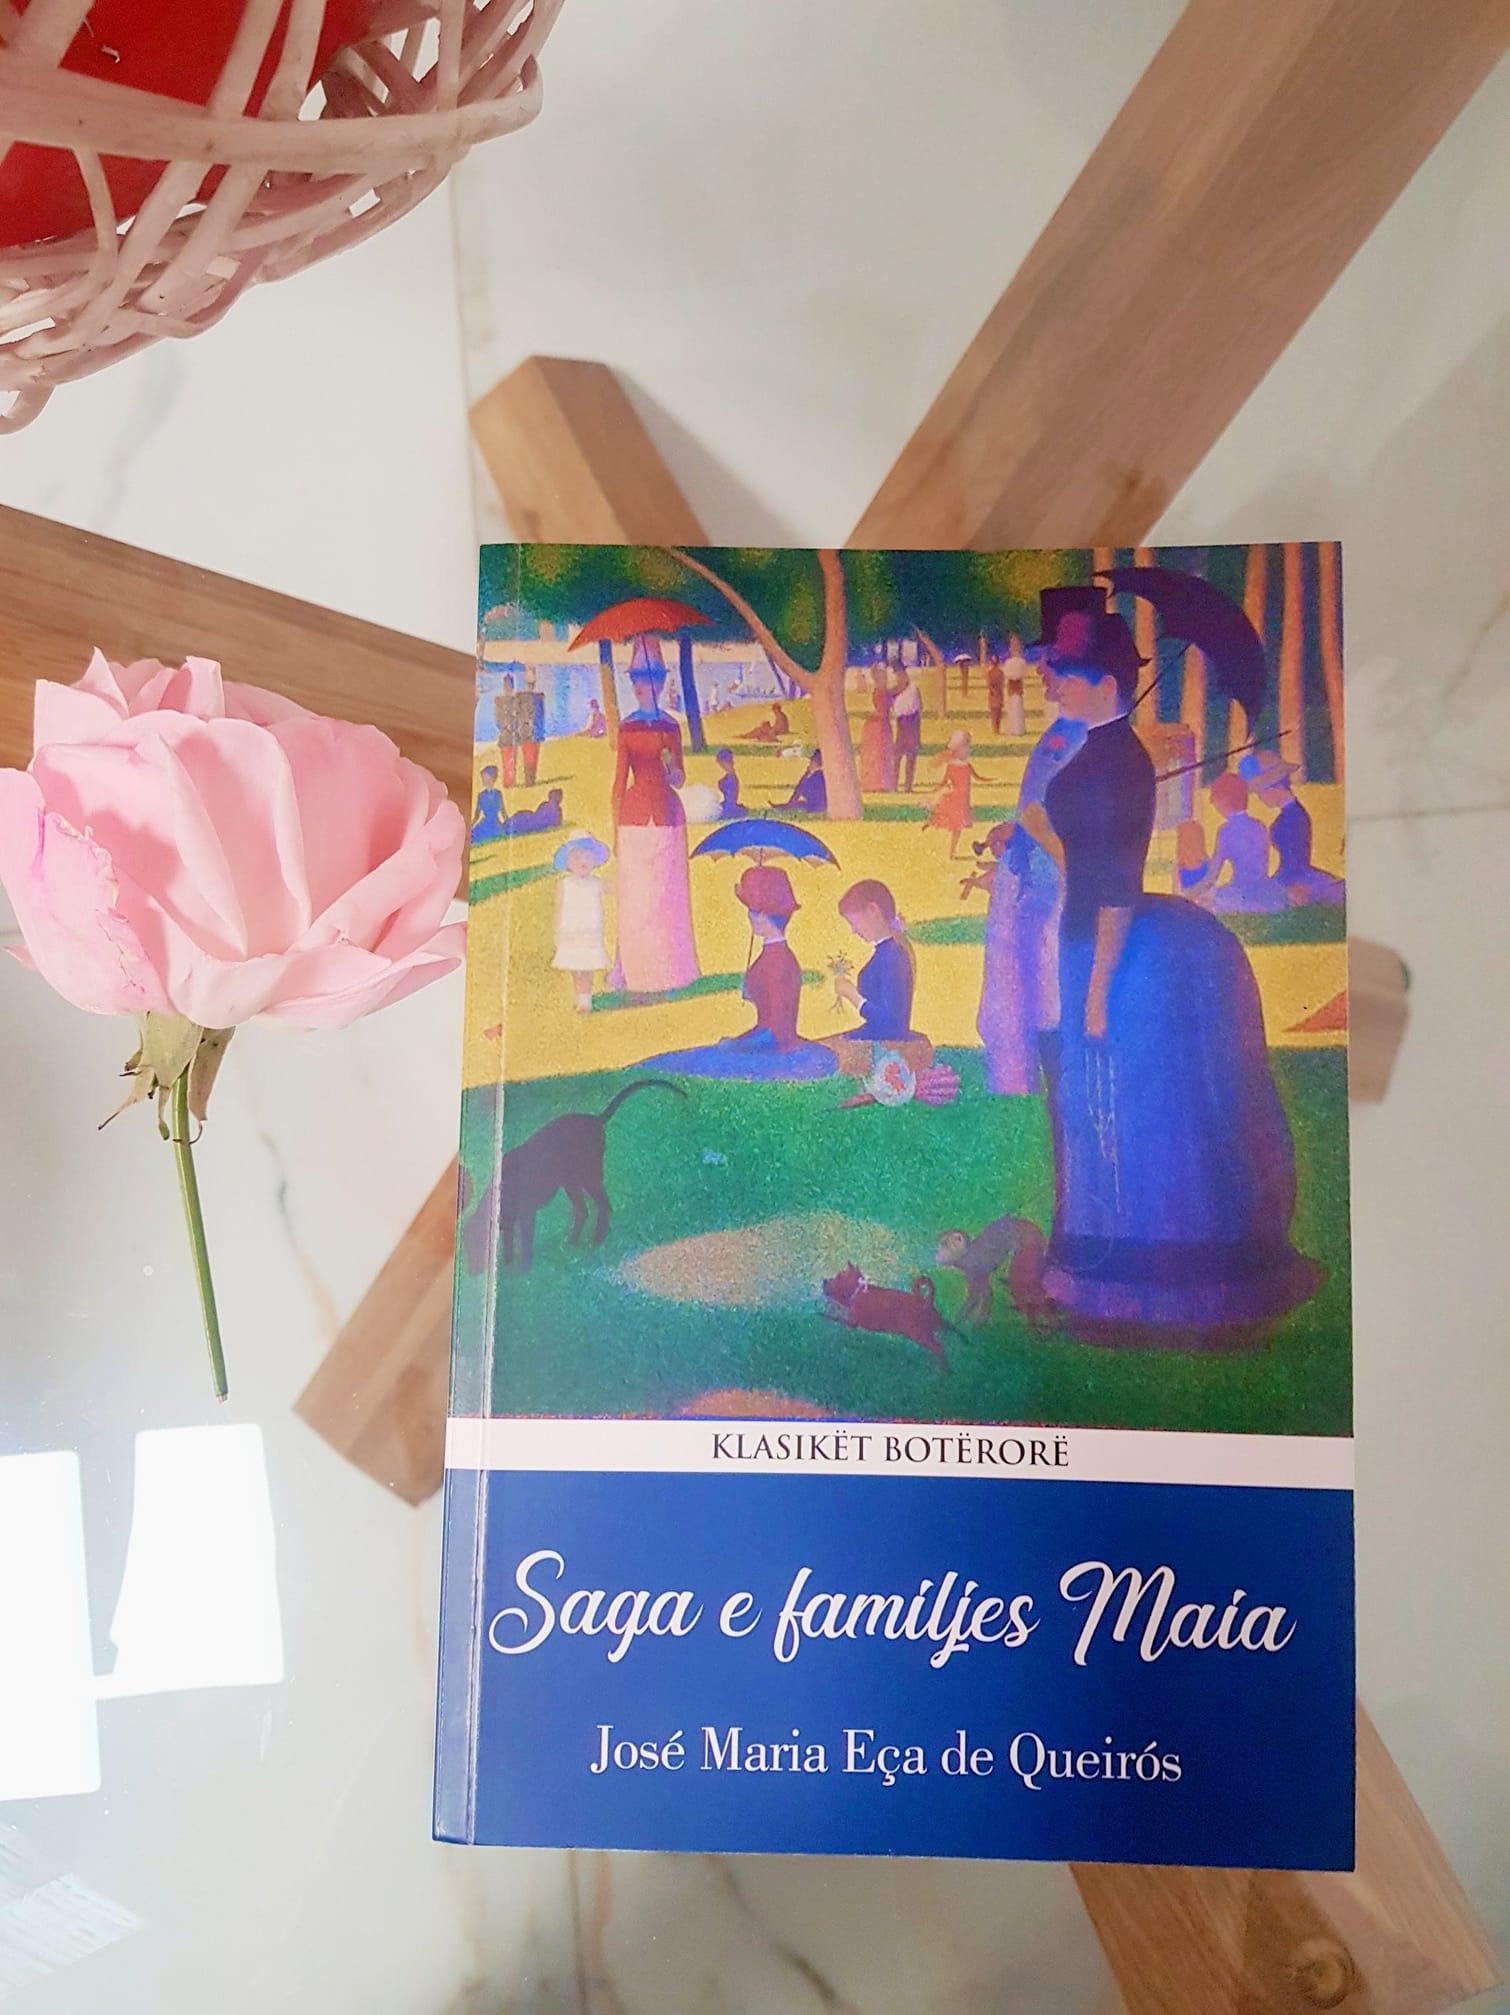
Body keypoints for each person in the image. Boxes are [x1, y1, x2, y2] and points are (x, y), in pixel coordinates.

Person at [1018, 596, 1321, 1342]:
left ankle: (1140, 1295)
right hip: (1087, 938)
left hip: (1117, 955)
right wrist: (1045, 833)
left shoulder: (1120, 761)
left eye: (1063, 673)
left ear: (1102, 682)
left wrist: (1098, 991)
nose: (1052, 684)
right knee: (1094, 1112)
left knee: (1126, 1114)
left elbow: (1117, 883)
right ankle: (1100, 1285)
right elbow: (1085, 864)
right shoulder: (1100, 750)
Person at [974, 646, 1086, 1095]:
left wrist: (1043, 836)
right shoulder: (1060, 732)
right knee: (1010, 989)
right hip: (1024, 873)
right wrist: (1020, 830)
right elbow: (1036, 803)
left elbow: (1074, 825)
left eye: (1051, 663)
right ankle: (1014, 1081)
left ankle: (1052, 1084)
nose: (1039, 669)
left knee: (1047, 991)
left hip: (1052, 881)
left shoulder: (1087, 738)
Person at [642, 866, 835, 1080]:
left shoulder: (778, 961)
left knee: (689, 1063)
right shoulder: (773, 955)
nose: (749, 916)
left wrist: (737, 1045)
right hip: (765, 1042)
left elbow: (777, 1032)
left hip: (775, 1051)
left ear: (762, 915)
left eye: (751, 910)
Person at [610, 634, 699, 994]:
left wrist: (671, 767)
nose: (642, 685)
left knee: (667, 894)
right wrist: (614, 830)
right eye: (637, 678)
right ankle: (631, 969)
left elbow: (679, 777)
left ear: (661, 682)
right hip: (633, 818)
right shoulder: (627, 727)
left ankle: (670, 972)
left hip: (668, 816)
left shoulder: (671, 727)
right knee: (636, 896)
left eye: (649, 678)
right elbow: (618, 783)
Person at [1240, 750, 1345, 906]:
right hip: (1293, 876)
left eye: (1261, 791)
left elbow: (1293, 863)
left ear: (1277, 787)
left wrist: (1276, 885)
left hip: (1297, 879)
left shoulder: (1292, 817)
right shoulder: (1290, 814)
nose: (1260, 798)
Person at [1188, 771, 1290, 912]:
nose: (1216, 808)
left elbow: (1212, 876)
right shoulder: (1259, 826)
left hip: (1241, 894)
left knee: (1206, 901)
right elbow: (1264, 862)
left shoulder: (1226, 831)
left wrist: (1191, 893)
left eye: (1215, 802)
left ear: (1223, 800)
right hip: (1265, 891)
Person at [831, 879, 919, 1042]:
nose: (854, 930)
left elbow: (891, 1025)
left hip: (886, 1047)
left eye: (854, 922)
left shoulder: (892, 955)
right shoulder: (887, 952)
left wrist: (853, 995)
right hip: (878, 1040)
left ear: (873, 910)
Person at [551, 831, 610, 1012]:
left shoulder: (597, 883)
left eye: (587, 857)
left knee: (587, 965)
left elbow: (618, 890)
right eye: (577, 858)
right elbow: (559, 909)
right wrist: (557, 932)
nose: (583, 862)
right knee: (575, 966)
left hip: (590, 930)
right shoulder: (565, 884)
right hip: (571, 931)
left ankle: (586, 1000)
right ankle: (580, 997)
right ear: (568, 863)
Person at [925, 728, 989, 857]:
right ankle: (950, 849)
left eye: (967, 747)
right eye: (964, 748)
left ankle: (952, 851)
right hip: (955, 798)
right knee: (951, 822)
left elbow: (976, 776)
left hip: (963, 800)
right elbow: (945, 780)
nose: (967, 751)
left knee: (957, 827)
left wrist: (987, 779)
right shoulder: (952, 766)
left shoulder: (966, 765)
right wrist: (937, 788)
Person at [858, 676, 898, 793]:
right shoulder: (872, 722)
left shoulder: (882, 722)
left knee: (883, 758)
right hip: (877, 734)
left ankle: (881, 784)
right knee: (875, 759)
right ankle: (873, 784)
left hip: (883, 731)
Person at [891, 666, 923, 790]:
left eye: (901, 675)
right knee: (897, 756)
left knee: (911, 756)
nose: (899, 678)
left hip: (913, 723)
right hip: (902, 724)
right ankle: (894, 784)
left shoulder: (913, 689)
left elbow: (920, 706)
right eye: (897, 676)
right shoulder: (894, 691)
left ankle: (908, 785)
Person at [492, 672, 524, 787]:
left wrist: (515, 727)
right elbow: (498, 718)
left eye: (510, 685)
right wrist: (506, 726)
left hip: (513, 735)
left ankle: (511, 782)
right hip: (505, 735)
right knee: (506, 760)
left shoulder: (516, 700)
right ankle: (508, 782)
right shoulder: (499, 701)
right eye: (507, 685)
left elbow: (519, 717)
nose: (508, 688)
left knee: (512, 760)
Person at [773, 748, 826, 815]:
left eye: (811, 761)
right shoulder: (813, 775)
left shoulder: (816, 776)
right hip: (817, 803)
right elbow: (799, 794)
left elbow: (800, 790)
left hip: (818, 802)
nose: (809, 764)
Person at [471, 764, 507, 843]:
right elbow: (477, 815)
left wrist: (508, 824)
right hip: (485, 825)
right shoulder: (481, 795)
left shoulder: (498, 794)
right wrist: (471, 825)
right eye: (483, 779)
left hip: (496, 825)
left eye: (487, 778)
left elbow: (503, 812)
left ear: (493, 779)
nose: (484, 781)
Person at [520, 672, 545, 786]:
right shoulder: (522, 697)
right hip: (526, 732)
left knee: (534, 756)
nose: (530, 685)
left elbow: (541, 715)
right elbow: (519, 714)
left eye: (532, 683)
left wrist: (539, 731)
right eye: (529, 683)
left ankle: (532, 780)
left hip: (536, 732)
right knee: (527, 756)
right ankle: (528, 780)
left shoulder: (539, 697)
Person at [1002, 634, 1030, 737]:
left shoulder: (1018, 662)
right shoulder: (1014, 662)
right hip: (1013, 689)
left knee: (1016, 708)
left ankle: (1016, 729)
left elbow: (1011, 675)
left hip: (1015, 689)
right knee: (1014, 708)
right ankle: (1015, 729)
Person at [714, 747, 747, 819]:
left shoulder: (731, 777)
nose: (721, 765)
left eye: (722, 762)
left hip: (729, 807)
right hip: (727, 804)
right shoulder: (730, 775)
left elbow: (731, 796)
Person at [985, 654, 1005, 736]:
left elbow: (1002, 683)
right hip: (994, 694)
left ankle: (997, 729)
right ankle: (995, 729)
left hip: (998, 693)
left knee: (998, 712)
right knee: (994, 712)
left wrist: (998, 691)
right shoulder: (990, 672)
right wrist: (994, 691)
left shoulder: (1000, 672)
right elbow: (989, 684)